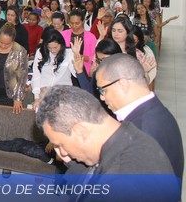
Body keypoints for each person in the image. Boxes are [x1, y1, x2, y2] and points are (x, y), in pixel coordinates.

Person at [36, 86, 175, 176]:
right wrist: (71, 162)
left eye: (60, 144)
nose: (63, 153)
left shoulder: (124, 175)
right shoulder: (127, 138)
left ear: (80, 131)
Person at [95, 53, 184, 180]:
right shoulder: (155, 110)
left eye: (103, 90)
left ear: (123, 84)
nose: (102, 97)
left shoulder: (140, 130)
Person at [0, 23, 28, 113]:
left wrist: (18, 98)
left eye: (7, 44)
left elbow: (22, 77)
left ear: (13, 40)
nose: (3, 46)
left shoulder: (20, 51)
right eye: (1, 42)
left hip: (11, 95)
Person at [31, 29, 75, 102]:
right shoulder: (40, 52)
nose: (52, 51)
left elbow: (76, 74)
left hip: (63, 93)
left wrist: (76, 57)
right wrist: (36, 97)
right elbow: (36, 74)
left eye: (55, 47)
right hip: (44, 93)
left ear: (61, 44)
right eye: (49, 48)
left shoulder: (69, 53)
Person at [61, 9, 96, 76]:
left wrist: (80, 57)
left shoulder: (91, 37)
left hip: (85, 70)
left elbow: (94, 57)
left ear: (83, 21)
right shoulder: (63, 35)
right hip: (66, 71)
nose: (74, 26)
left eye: (77, 23)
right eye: (71, 23)